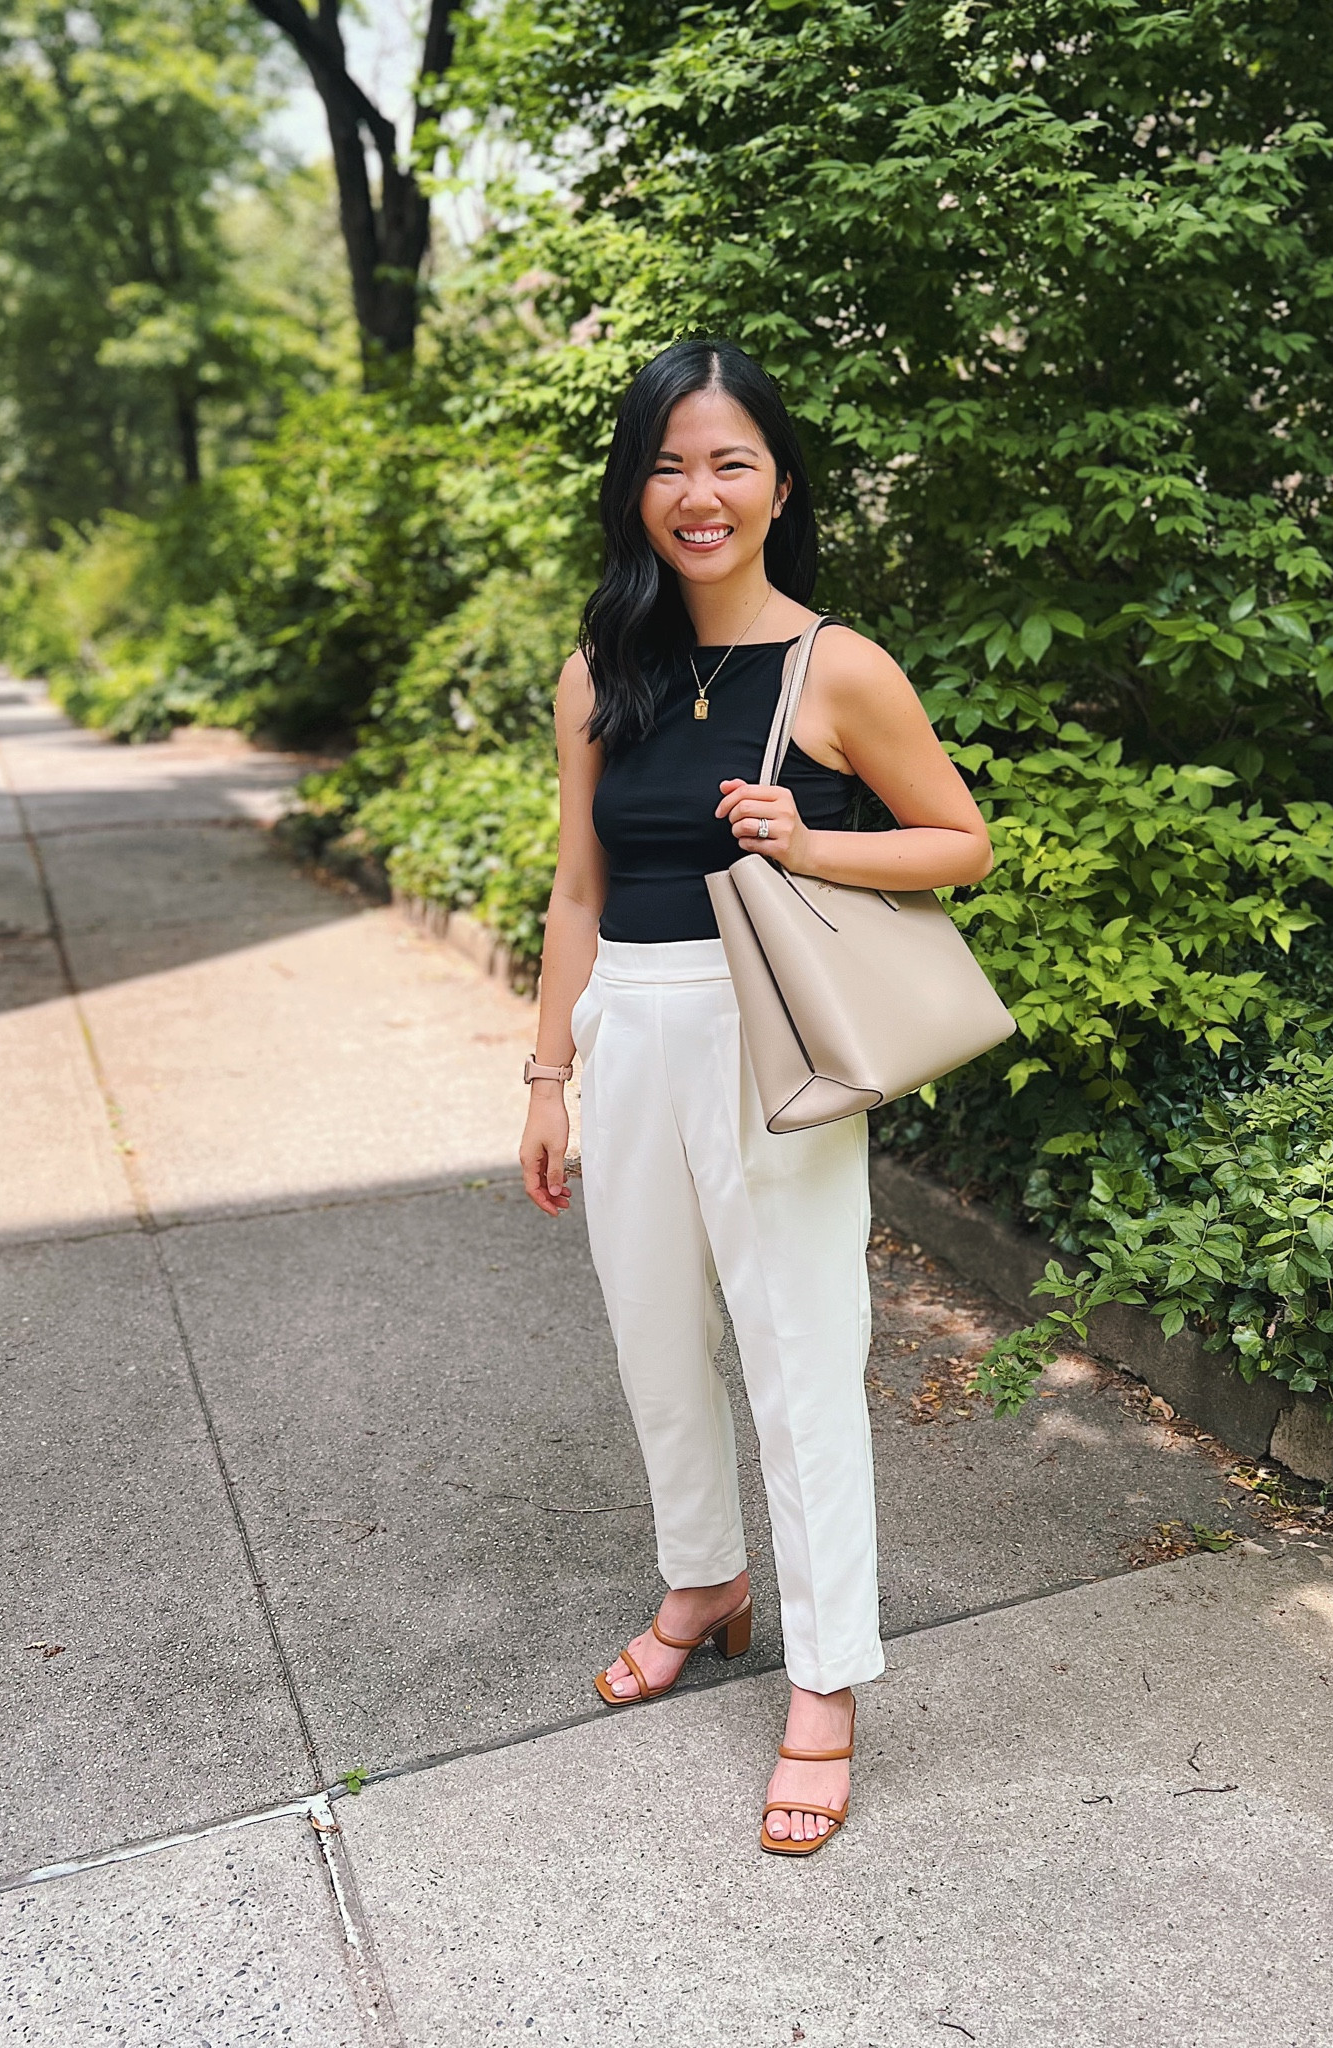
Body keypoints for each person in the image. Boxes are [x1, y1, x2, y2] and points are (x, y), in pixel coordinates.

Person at [518, 338, 991, 1855]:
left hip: (771, 1039)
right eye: (666, 464)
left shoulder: (832, 666)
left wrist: (809, 840)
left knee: (796, 1358)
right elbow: (576, 887)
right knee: (657, 1344)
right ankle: (704, 1583)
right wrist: (548, 1070)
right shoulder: (598, 669)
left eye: (727, 462)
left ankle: (828, 1682)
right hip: (634, 1029)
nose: (696, 493)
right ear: (633, 487)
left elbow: (957, 844)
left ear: (780, 484)